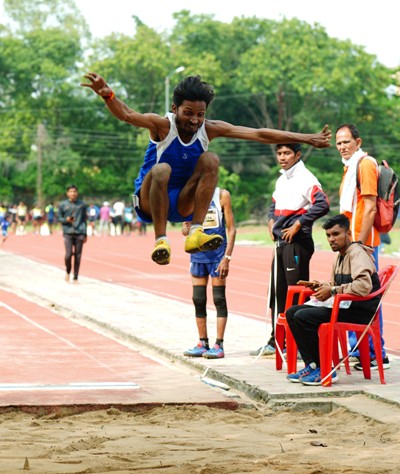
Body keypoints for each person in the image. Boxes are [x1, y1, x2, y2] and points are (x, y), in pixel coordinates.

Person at [81, 72, 331, 266]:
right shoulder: (161, 126)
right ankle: (161, 240)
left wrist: (307, 138)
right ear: (174, 108)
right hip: (151, 201)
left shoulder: (208, 129)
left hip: (184, 202)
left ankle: (197, 231)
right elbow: (127, 115)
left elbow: (258, 133)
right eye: (188, 113)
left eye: (200, 114)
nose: (194, 120)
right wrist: (108, 95)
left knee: (211, 159)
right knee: (161, 170)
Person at [250, 143, 330, 357]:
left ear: (297, 155)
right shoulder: (282, 178)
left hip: (297, 243)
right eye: (279, 153)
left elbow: (323, 204)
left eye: (287, 153)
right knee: (278, 292)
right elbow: (273, 204)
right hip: (280, 243)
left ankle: (300, 343)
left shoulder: (306, 178)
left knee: (295, 293)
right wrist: (270, 220)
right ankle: (277, 340)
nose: (282, 157)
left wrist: (299, 224)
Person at [286, 214, 381, 386]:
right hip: (344, 306)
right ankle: (313, 365)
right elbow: (336, 284)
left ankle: (326, 369)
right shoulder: (340, 255)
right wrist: (321, 285)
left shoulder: (357, 254)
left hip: (359, 311)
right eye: (328, 235)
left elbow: (363, 286)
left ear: (348, 234)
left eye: (336, 234)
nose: (331, 239)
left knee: (303, 317)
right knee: (292, 312)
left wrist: (332, 290)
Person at [335, 123, 389, 371]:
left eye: (346, 141)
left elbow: (369, 206)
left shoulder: (365, 164)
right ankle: (361, 352)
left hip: (362, 244)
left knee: (367, 299)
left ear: (358, 142)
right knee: (353, 298)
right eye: (338, 143)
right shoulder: (349, 167)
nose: (342, 147)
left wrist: (358, 245)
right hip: (352, 244)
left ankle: (377, 354)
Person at [183, 187, 236, 359]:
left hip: (217, 256)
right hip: (197, 255)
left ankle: (219, 344)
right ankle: (202, 342)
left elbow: (231, 229)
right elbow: (185, 232)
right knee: (198, 299)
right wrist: (186, 226)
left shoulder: (222, 195)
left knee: (219, 299)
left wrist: (227, 257)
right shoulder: (189, 195)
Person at [57, 185, 87, 283]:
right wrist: (66, 220)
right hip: (68, 232)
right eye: (71, 191)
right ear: (67, 193)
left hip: (80, 232)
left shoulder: (82, 205)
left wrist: (85, 233)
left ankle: (75, 277)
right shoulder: (63, 204)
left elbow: (84, 219)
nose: (73, 193)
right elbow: (59, 218)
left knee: (78, 256)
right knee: (68, 255)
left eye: (74, 191)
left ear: (77, 193)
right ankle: (68, 271)